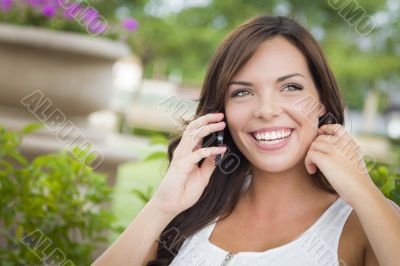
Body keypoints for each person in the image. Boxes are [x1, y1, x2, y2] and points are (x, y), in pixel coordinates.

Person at [93, 15, 400, 266]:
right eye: (242, 92)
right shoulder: (193, 213)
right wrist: (162, 207)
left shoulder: (361, 224)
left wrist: (363, 190)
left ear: (322, 103)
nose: (266, 111)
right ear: (221, 110)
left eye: (290, 87)